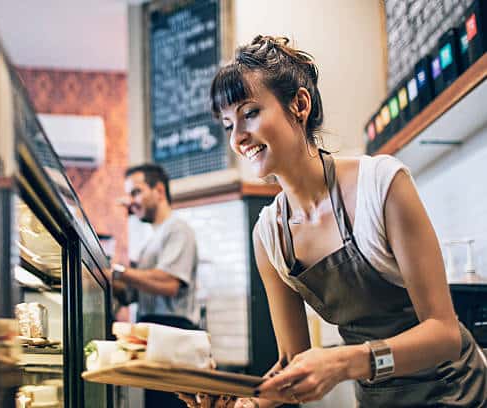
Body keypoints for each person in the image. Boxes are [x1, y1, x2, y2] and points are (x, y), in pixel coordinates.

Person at [179, 35, 487, 408]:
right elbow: (292, 364)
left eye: (250, 113)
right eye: (228, 125)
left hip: (456, 391)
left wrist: (347, 361)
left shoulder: (381, 186)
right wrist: (245, 401)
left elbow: (444, 335)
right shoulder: (270, 236)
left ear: (300, 104)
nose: (238, 138)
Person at [108, 163, 199, 408]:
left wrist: (120, 272)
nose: (130, 201)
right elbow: (129, 295)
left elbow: (169, 283)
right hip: (153, 333)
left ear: (159, 190)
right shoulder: (150, 241)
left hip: (173, 334)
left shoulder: (178, 230)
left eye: (136, 192)